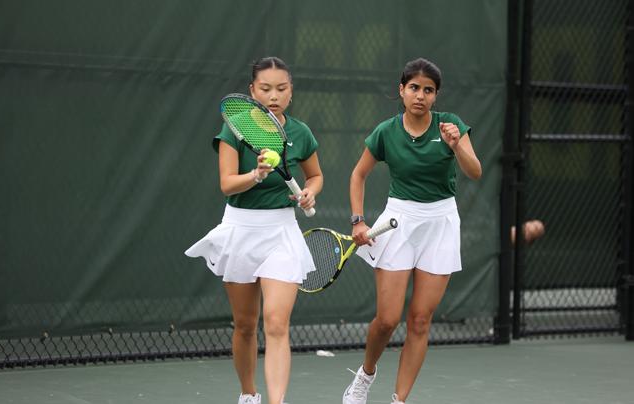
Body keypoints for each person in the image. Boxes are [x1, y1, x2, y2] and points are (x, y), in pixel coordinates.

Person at [343, 58, 482, 404]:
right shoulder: (385, 131)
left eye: (428, 90)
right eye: (414, 88)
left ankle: (399, 400)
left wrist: (457, 146)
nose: (420, 95)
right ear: (401, 90)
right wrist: (358, 220)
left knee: (420, 321)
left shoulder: (451, 126)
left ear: (436, 96)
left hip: (441, 223)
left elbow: (475, 171)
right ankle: (366, 374)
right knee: (387, 320)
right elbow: (358, 174)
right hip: (398, 222)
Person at [185, 57, 323, 404]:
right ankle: (249, 395)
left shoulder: (301, 133)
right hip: (241, 229)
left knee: (276, 324)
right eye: (265, 89)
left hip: (281, 232)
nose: (273, 95)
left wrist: (310, 192)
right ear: (252, 91)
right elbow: (227, 185)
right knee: (246, 325)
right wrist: (257, 175)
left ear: (291, 92)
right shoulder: (234, 127)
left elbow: (316, 176)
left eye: (281, 88)